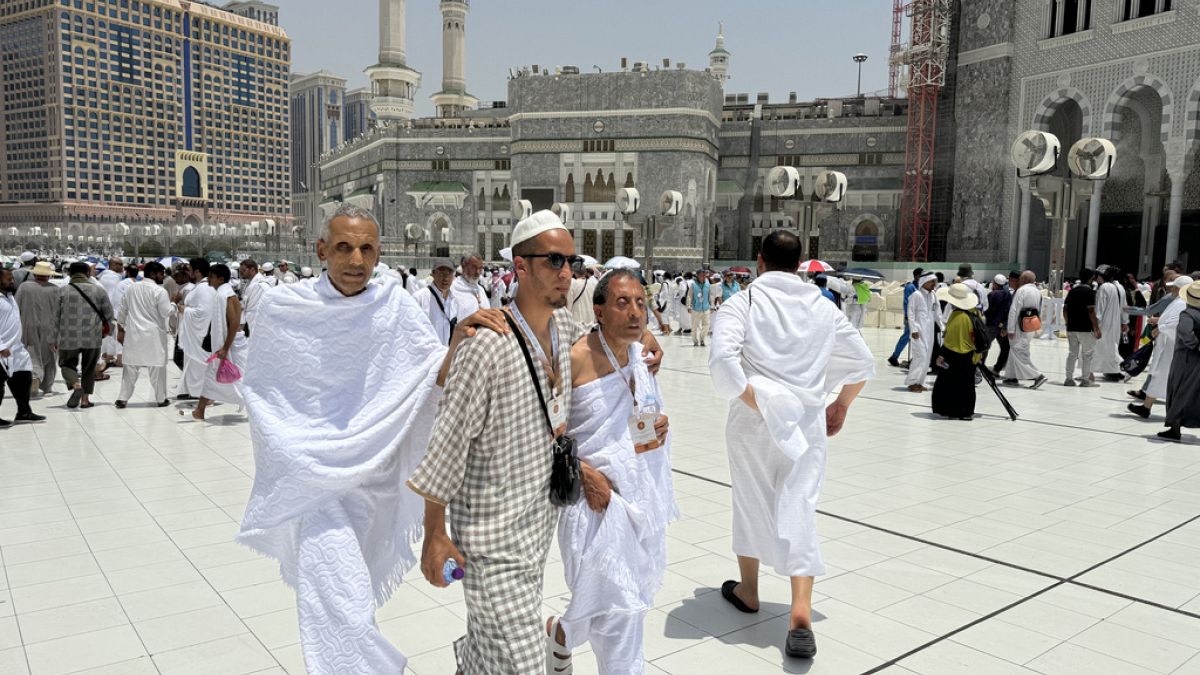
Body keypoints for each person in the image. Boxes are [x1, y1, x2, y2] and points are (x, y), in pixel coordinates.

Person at [237, 204, 506, 673]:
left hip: (374, 481)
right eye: (343, 247)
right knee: (340, 600)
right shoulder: (285, 309)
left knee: (348, 596)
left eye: (366, 249)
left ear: (379, 254)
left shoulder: (395, 306)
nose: (356, 260)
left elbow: (428, 378)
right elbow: (265, 398)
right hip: (315, 487)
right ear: (321, 250)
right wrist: (297, 457)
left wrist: (459, 339)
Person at [407, 210, 590, 674]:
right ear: (521, 267)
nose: (566, 273)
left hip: (535, 527)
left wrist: (646, 336)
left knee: (492, 651)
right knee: (524, 662)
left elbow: (604, 335)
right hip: (489, 539)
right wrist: (434, 534)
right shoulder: (486, 343)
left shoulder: (564, 329)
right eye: (553, 261)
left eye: (572, 261)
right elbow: (447, 444)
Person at [709, 230, 873, 659]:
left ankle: (749, 589)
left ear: (759, 261)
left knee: (749, 499)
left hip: (751, 423)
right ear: (800, 265)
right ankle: (800, 613)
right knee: (799, 507)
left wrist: (760, 401)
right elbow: (863, 362)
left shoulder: (740, 302)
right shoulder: (823, 307)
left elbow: (724, 364)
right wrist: (841, 405)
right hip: (806, 425)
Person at [545, 268, 676, 675]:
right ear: (599, 311)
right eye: (623, 303)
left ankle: (562, 634)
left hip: (637, 499)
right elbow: (542, 430)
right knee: (614, 606)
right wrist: (586, 473)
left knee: (620, 607)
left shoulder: (640, 357)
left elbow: (637, 426)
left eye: (641, 302)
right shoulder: (574, 359)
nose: (636, 312)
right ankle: (566, 636)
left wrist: (657, 426)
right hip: (589, 505)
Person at [1128, 276, 1192, 419]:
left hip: (1171, 349)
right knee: (1159, 378)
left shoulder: (1182, 303)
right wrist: (1159, 321)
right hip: (1166, 348)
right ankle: (1146, 408)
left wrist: (1160, 328)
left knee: (1166, 380)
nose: (1172, 289)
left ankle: (1174, 415)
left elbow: (1177, 324)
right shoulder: (1177, 302)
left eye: (1174, 287)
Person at [52, 261, 114, 409]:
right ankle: (85, 400)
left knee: (66, 364)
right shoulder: (99, 291)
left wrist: (53, 338)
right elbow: (109, 314)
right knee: (89, 368)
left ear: (69, 274)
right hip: (92, 337)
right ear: (88, 273)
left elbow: (55, 317)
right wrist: (107, 332)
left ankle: (75, 385)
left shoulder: (62, 291)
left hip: (68, 337)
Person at [115, 261, 173, 409]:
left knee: (130, 368)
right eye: (161, 273)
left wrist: (120, 328)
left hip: (134, 334)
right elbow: (166, 312)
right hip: (153, 336)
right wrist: (174, 304)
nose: (163, 276)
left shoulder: (131, 288)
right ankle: (161, 399)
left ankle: (123, 398)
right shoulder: (160, 291)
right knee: (157, 368)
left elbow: (123, 310)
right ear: (153, 274)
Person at [191, 264, 246, 421]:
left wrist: (225, 348)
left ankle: (260, 408)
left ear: (221, 279)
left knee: (245, 380)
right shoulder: (222, 294)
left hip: (232, 345)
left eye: (212, 276)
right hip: (226, 344)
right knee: (211, 377)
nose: (209, 279)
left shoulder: (226, 295)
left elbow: (234, 323)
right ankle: (199, 410)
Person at [0, 267, 47, 425]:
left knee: (24, 377)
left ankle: (24, 412)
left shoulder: (9, 296)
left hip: (15, 349)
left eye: (12, 279)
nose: (12, 282)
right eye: (8, 279)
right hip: (2, 350)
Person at [932, 284, 983, 420]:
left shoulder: (957, 316)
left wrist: (942, 355)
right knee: (967, 385)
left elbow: (950, 340)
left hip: (956, 355)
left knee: (951, 384)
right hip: (971, 354)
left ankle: (954, 410)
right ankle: (966, 412)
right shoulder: (974, 312)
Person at [1159, 282, 1200, 441]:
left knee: (1178, 390)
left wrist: (1195, 345)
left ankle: (1174, 427)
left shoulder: (1188, 314)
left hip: (1186, 358)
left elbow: (1184, 331)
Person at [15, 261, 61, 398]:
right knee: (50, 355)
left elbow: (16, 307)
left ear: (35, 274)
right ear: (49, 276)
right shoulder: (55, 289)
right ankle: (47, 387)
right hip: (50, 327)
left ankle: (34, 376)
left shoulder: (24, 287)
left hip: (28, 324)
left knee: (31, 352)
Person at [176, 258, 215, 401]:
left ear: (197, 271)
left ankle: (205, 395)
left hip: (200, 334)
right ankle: (196, 392)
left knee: (200, 364)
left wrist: (184, 309)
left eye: (190, 269)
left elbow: (204, 312)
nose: (188, 272)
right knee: (194, 364)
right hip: (196, 333)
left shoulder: (204, 288)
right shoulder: (200, 286)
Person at [1003, 271, 1048, 389]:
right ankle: (1011, 377)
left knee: (1018, 352)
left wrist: (1010, 329)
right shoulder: (1037, 291)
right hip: (1030, 325)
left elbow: (1014, 310)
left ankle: (1038, 376)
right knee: (1018, 351)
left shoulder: (1022, 290)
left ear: (1024, 280)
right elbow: (1039, 309)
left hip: (1019, 326)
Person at [1063, 269, 1102, 387]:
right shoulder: (1090, 292)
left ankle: (1068, 378)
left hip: (1072, 327)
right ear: (1091, 279)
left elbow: (1065, 309)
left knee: (1072, 353)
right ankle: (1085, 379)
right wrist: (1096, 328)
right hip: (1085, 327)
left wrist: (1067, 323)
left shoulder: (1072, 291)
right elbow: (1091, 311)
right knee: (1087, 354)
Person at [905, 273, 939, 393]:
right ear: (924, 282)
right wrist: (913, 329)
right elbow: (910, 313)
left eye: (935, 282)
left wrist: (943, 327)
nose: (934, 284)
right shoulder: (916, 295)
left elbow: (937, 313)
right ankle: (912, 382)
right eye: (931, 282)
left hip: (929, 332)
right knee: (920, 357)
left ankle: (920, 382)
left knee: (927, 358)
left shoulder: (934, 295)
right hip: (918, 331)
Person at [1093, 266, 1128, 380]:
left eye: (1098, 275)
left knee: (1107, 347)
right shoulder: (1120, 287)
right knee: (1112, 346)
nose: (1096, 278)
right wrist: (1125, 322)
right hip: (1116, 322)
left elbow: (1100, 307)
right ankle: (1112, 371)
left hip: (1105, 323)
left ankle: (1126, 368)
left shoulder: (1104, 287)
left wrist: (1095, 323)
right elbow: (1124, 306)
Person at [414, 260, 458, 345]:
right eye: (441, 274)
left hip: (447, 353)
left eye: (449, 273)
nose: (445, 278)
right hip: (428, 354)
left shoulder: (455, 300)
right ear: (433, 274)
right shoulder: (420, 298)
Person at [888, 268, 924, 368]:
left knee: (914, 337)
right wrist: (908, 316)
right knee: (907, 336)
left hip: (919, 317)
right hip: (911, 317)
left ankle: (914, 358)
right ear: (917, 276)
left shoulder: (920, 287)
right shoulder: (910, 287)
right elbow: (907, 303)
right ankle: (894, 357)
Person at [97, 257, 125, 364]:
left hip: (102, 311)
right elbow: (114, 297)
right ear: (112, 265)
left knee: (107, 335)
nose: (121, 267)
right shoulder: (112, 278)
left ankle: (107, 356)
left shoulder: (104, 276)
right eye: (119, 264)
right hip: (111, 311)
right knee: (114, 334)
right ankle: (116, 358)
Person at [984, 274, 1012, 376]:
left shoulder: (992, 295)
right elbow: (1008, 311)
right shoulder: (1008, 294)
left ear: (995, 284)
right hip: (1002, 326)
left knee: (984, 347)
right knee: (1005, 348)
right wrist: (1004, 325)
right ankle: (997, 369)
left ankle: (981, 367)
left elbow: (987, 310)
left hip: (991, 325)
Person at [451, 253, 490, 324]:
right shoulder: (453, 289)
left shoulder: (480, 289)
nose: (478, 272)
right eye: (474, 267)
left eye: (480, 268)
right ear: (463, 266)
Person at [239, 259, 269, 337]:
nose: (241, 273)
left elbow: (251, 311)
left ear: (252, 270)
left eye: (243, 270)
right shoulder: (249, 283)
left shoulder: (259, 285)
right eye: (240, 270)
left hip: (255, 327)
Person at [688, 270, 713, 347]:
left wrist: (712, 305)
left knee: (706, 325)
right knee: (694, 326)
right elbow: (689, 296)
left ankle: (702, 339)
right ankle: (695, 341)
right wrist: (689, 305)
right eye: (702, 275)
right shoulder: (693, 285)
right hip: (696, 309)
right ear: (698, 276)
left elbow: (710, 295)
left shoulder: (708, 284)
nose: (703, 277)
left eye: (704, 275)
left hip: (706, 308)